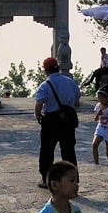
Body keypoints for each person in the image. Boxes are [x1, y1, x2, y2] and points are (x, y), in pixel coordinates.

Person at [34, 57, 81, 188]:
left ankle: (46, 179)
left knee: (47, 152)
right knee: (69, 151)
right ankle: (73, 180)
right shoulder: (70, 82)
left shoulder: (45, 85)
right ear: (58, 68)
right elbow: (77, 97)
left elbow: (39, 103)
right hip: (67, 120)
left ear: (46, 70)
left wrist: (38, 116)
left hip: (51, 121)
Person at [91, 88, 108, 164]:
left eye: (101, 97)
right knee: (94, 145)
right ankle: (96, 163)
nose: (100, 99)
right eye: (98, 97)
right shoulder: (98, 106)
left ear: (106, 97)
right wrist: (99, 113)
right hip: (100, 127)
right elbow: (95, 119)